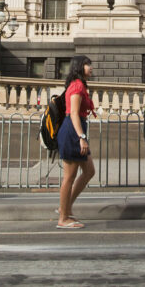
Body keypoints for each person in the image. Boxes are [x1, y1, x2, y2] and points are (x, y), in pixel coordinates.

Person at [56, 55, 96, 229]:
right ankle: (63, 218)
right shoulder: (77, 86)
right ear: (80, 66)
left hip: (76, 129)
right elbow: (73, 113)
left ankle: (65, 207)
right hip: (73, 132)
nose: (91, 67)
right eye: (87, 64)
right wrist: (81, 137)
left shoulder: (79, 85)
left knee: (89, 171)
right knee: (69, 177)